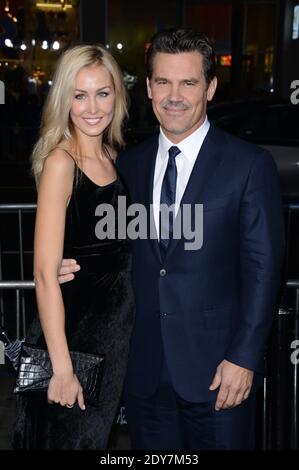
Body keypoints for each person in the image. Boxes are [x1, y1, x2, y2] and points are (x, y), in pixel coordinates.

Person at [59, 29, 285, 450]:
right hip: (144, 371)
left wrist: (244, 357)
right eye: (163, 82)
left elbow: (264, 269)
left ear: (211, 88)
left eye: (188, 83)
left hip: (221, 373)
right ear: (147, 88)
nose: (174, 95)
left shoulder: (249, 166)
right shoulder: (128, 165)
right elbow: (114, 249)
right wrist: (68, 267)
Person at [12, 44, 134, 450]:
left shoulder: (114, 157)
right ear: (65, 100)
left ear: (117, 94)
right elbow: (45, 274)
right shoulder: (62, 163)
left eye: (103, 92)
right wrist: (62, 369)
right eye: (79, 95)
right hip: (73, 338)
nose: (92, 107)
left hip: (111, 336)